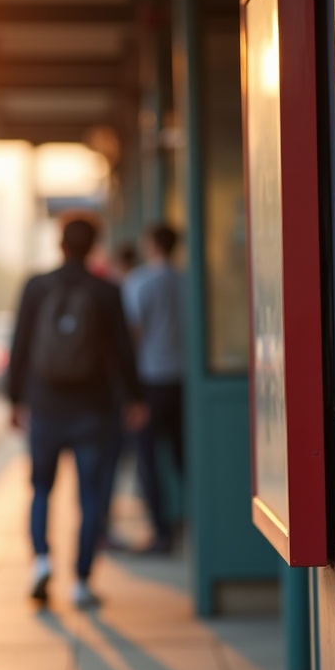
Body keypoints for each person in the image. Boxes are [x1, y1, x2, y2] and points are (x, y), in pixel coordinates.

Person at [6, 215, 145, 608]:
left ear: (60, 244)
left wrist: (15, 400)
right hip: (93, 410)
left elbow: (20, 345)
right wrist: (134, 399)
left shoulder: (36, 286)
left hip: (45, 407)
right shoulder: (105, 290)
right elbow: (123, 351)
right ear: (94, 247)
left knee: (42, 489)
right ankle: (82, 582)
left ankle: (42, 562)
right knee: (91, 497)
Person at [121, 223, 186, 553]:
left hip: (150, 380)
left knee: (148, 461)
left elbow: (133, 331)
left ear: (150, 245)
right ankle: (190, 523)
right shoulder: (186, 280)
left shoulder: (139, 281)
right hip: (184, 380)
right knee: (183, 458)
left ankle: (162, 532)